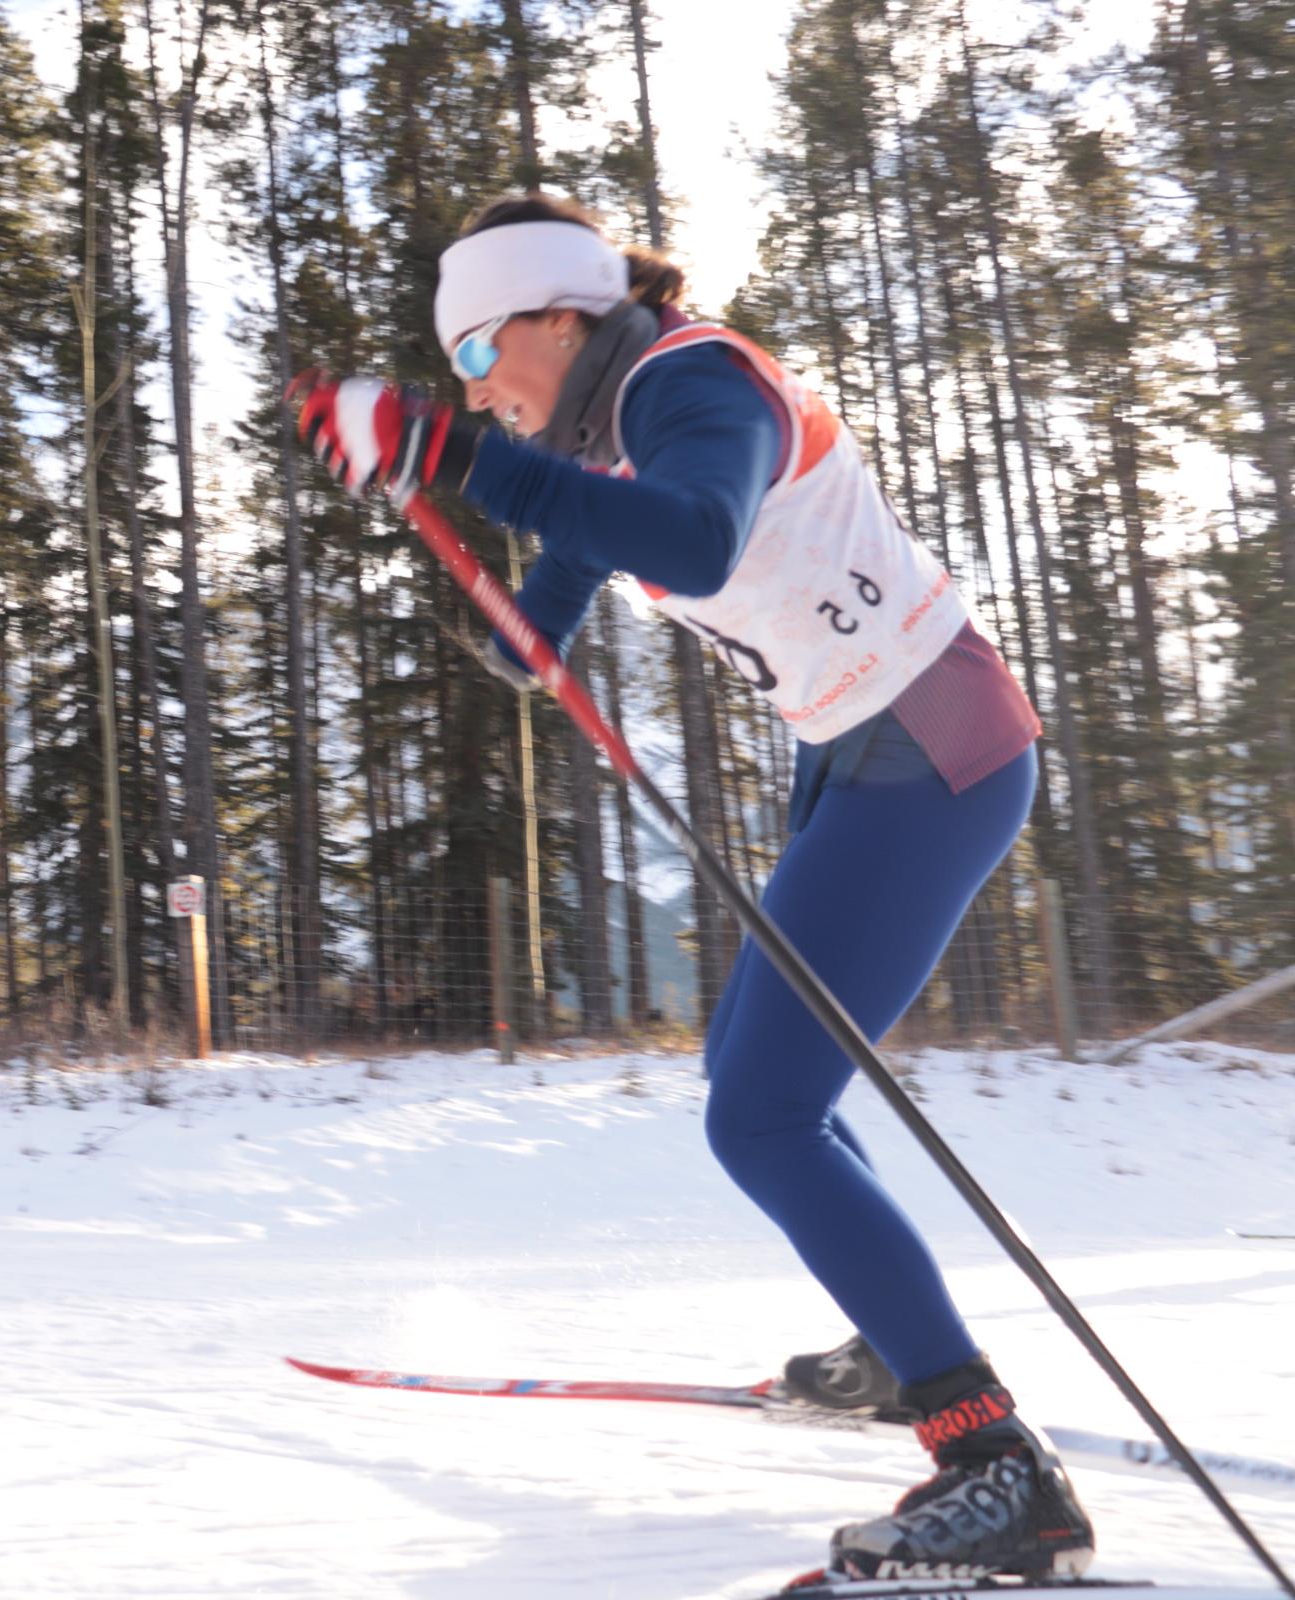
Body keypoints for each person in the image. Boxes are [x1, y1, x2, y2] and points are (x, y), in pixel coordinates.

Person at [285, 193, 1094, 1583]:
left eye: (481, 357)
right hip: (861, 747)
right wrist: (535, 618)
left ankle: (998, 1467)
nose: (481, 388)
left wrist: (458, 452)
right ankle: (907, 1348)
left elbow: (695, 535)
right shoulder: (619, 405)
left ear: (554, 313)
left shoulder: (694, 380)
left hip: (936, 747)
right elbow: (601, 530)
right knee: (763, 1081)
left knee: (762, 1116)